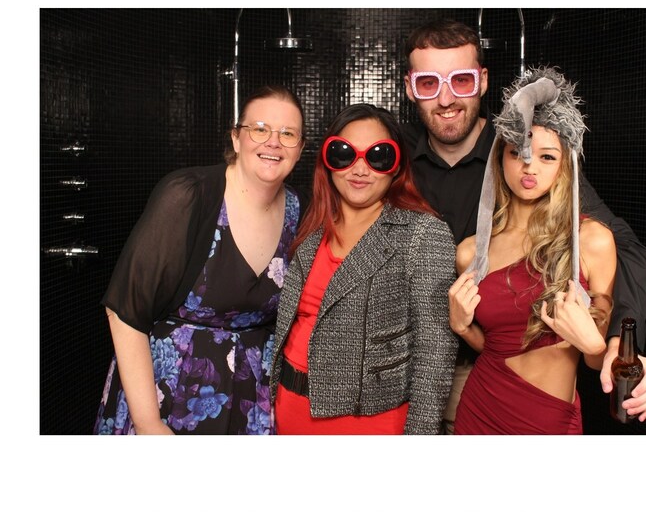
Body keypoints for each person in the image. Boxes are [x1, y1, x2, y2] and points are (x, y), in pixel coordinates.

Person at [402, 19, 646, 426]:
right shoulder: (391, 158)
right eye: (429, 82)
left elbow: (623, 247)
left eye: (461, 80)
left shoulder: (532, 139)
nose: (446, 98)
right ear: (410, 87)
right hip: (412, 374)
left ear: (483, 81)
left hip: (493, 384)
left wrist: (619, 347)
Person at [94, 88, 304, 435]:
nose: (273, 142)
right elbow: (124, 311)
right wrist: (148, 423)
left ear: (300, 148)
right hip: (168, 394)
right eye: (260, 129)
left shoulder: (298, 209)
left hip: (252, 400)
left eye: (288, 133)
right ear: (236, 138)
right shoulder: (188, 194)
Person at [270, 104, 456, 434]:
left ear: (396, 167)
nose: (359, 169)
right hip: (290, 411)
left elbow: (435, 354)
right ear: (327, 161)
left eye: (378, 156)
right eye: (343, 154)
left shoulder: (422, 234)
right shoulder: (313, 231)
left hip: (370, 424)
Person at [451, 68, 616, 435]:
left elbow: (596, 361)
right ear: (500, 158)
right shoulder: (472, 252)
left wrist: (595, 346)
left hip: (549, 421)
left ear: (564, 165)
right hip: (480, 411)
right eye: (518, 152)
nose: (529, 167)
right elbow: (497, 346)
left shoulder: (591, 240)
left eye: (547, 157)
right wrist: (462, 327)